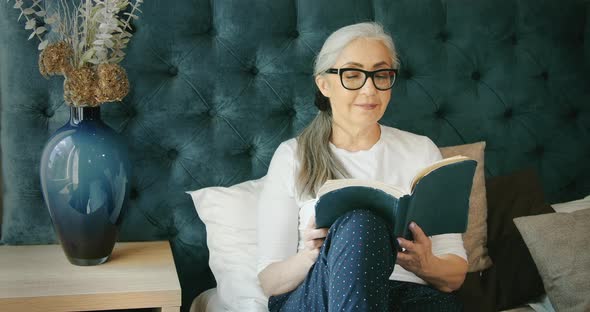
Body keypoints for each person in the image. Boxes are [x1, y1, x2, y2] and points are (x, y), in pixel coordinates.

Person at [257, 22, 468, 311]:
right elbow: (270, 282)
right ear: (324, 83)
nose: (370, 88)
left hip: (407, 297)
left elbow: (454, 276)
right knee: (362, 223)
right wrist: (312, 254)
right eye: (352, 75)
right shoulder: (292, 156)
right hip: (322, 294)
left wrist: (425, 264)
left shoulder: (421, 151)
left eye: (381, 75)